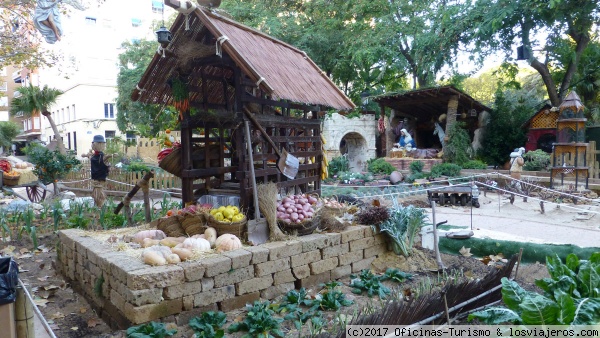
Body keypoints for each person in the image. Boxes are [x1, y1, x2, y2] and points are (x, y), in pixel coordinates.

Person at [82, 135, 110, 206]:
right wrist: (86, 155)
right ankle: (98, 207)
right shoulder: (94, 156)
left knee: (99, 196)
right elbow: (86, 155)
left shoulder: (101, 156)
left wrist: (110, 156)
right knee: (97, 196)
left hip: (99, 179)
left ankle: (99, 207)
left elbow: (105, 159)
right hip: (96, 179)